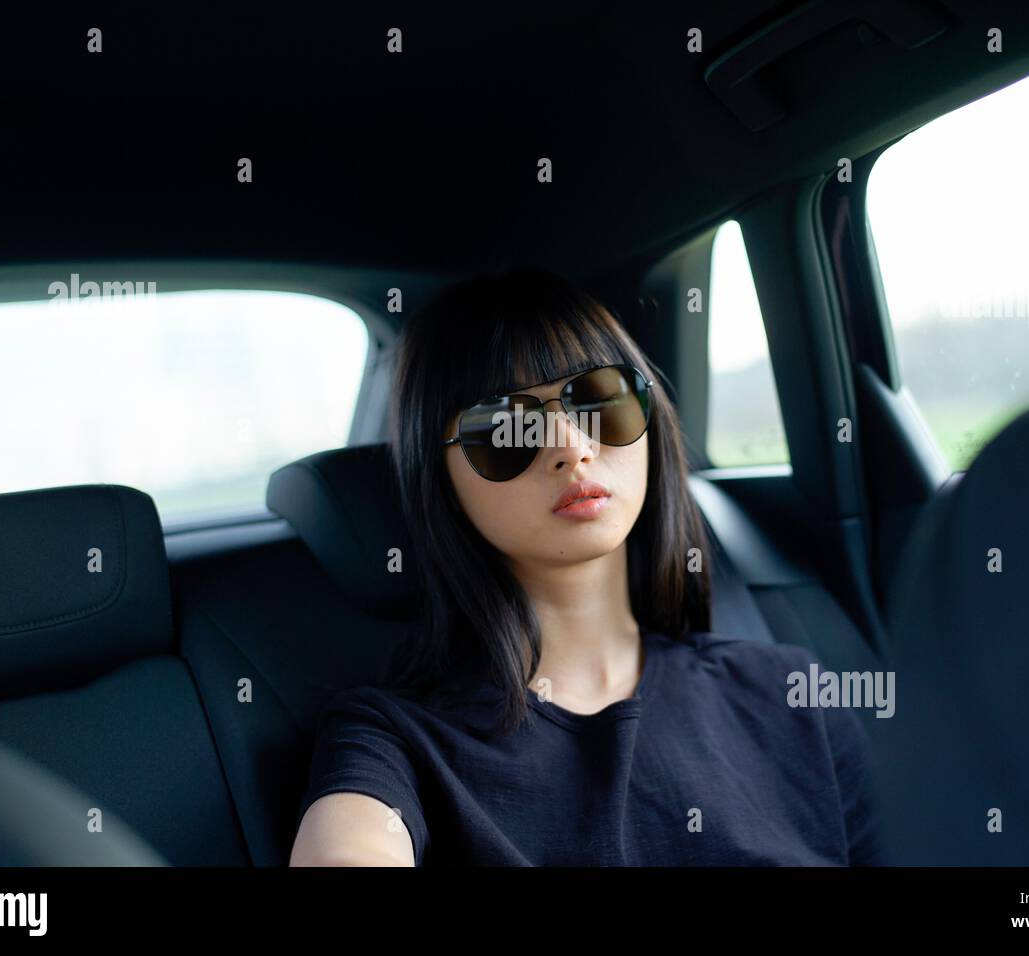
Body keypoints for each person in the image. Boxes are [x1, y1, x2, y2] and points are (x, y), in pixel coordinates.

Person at [288, 268, 885, 866]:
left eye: (601, 400)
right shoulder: (391, 741)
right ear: (439, 479)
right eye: (505, 427)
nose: (572, 445)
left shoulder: (791, 692)